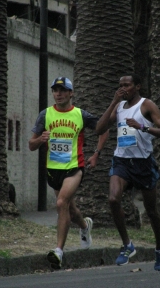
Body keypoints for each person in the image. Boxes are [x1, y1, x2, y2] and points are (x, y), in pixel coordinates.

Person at [29, 76, 108, 270]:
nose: (59, 94)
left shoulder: (80, 115)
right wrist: (40, 140)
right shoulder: (45, 115)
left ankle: (58, 251)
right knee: (70, 210)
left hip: (74, 168)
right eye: (56, 90)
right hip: (53, 170)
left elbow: (103, 129)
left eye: (63, 90)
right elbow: (31, 145)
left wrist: (96, 154)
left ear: (71, 93)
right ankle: (84, 226)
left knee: (61, 203)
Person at [96, 74, 160, 271]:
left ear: (137, 86)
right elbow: (99, 128)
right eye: (120, 85)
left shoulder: (147, 105)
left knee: (152, 210)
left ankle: (159, 248)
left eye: (127, 85)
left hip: (143, 163)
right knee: (113, 199)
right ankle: (127, 245)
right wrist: (113, 102)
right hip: (122, 161)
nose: (123, 89)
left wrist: (143, 127)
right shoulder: (119, 107)